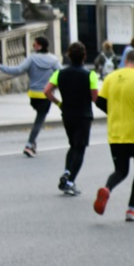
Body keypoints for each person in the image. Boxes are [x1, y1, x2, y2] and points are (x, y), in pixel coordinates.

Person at [92, 48, 134, 221]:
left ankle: (107, 188)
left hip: (116, 133)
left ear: (126, 61)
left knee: (121, 170)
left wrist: (113, 112)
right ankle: (131, 209)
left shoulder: (111, 77)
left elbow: (100, 102)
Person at [44, 42, 100, 196]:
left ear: (68, 55)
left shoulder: (60, 74)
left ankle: (67, 172)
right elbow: (95, 98)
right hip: (84, 115)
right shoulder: (90, 75)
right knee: (80, 148)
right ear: (84, 56)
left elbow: (47, 91)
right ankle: (69, 179)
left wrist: (59, 103)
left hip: (67, 114)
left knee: (72, 145)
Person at [0, 35, 59, 157]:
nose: (33, 46)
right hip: (46, 95)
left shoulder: (32, 59)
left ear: (39, 46)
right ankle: (29, 145)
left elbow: (17, 70)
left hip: (33, 95)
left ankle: (32, 142)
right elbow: (62, 75)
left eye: (34, 44)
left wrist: (0, 67)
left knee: (38, 116)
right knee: (39, 121)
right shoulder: (53, 60)